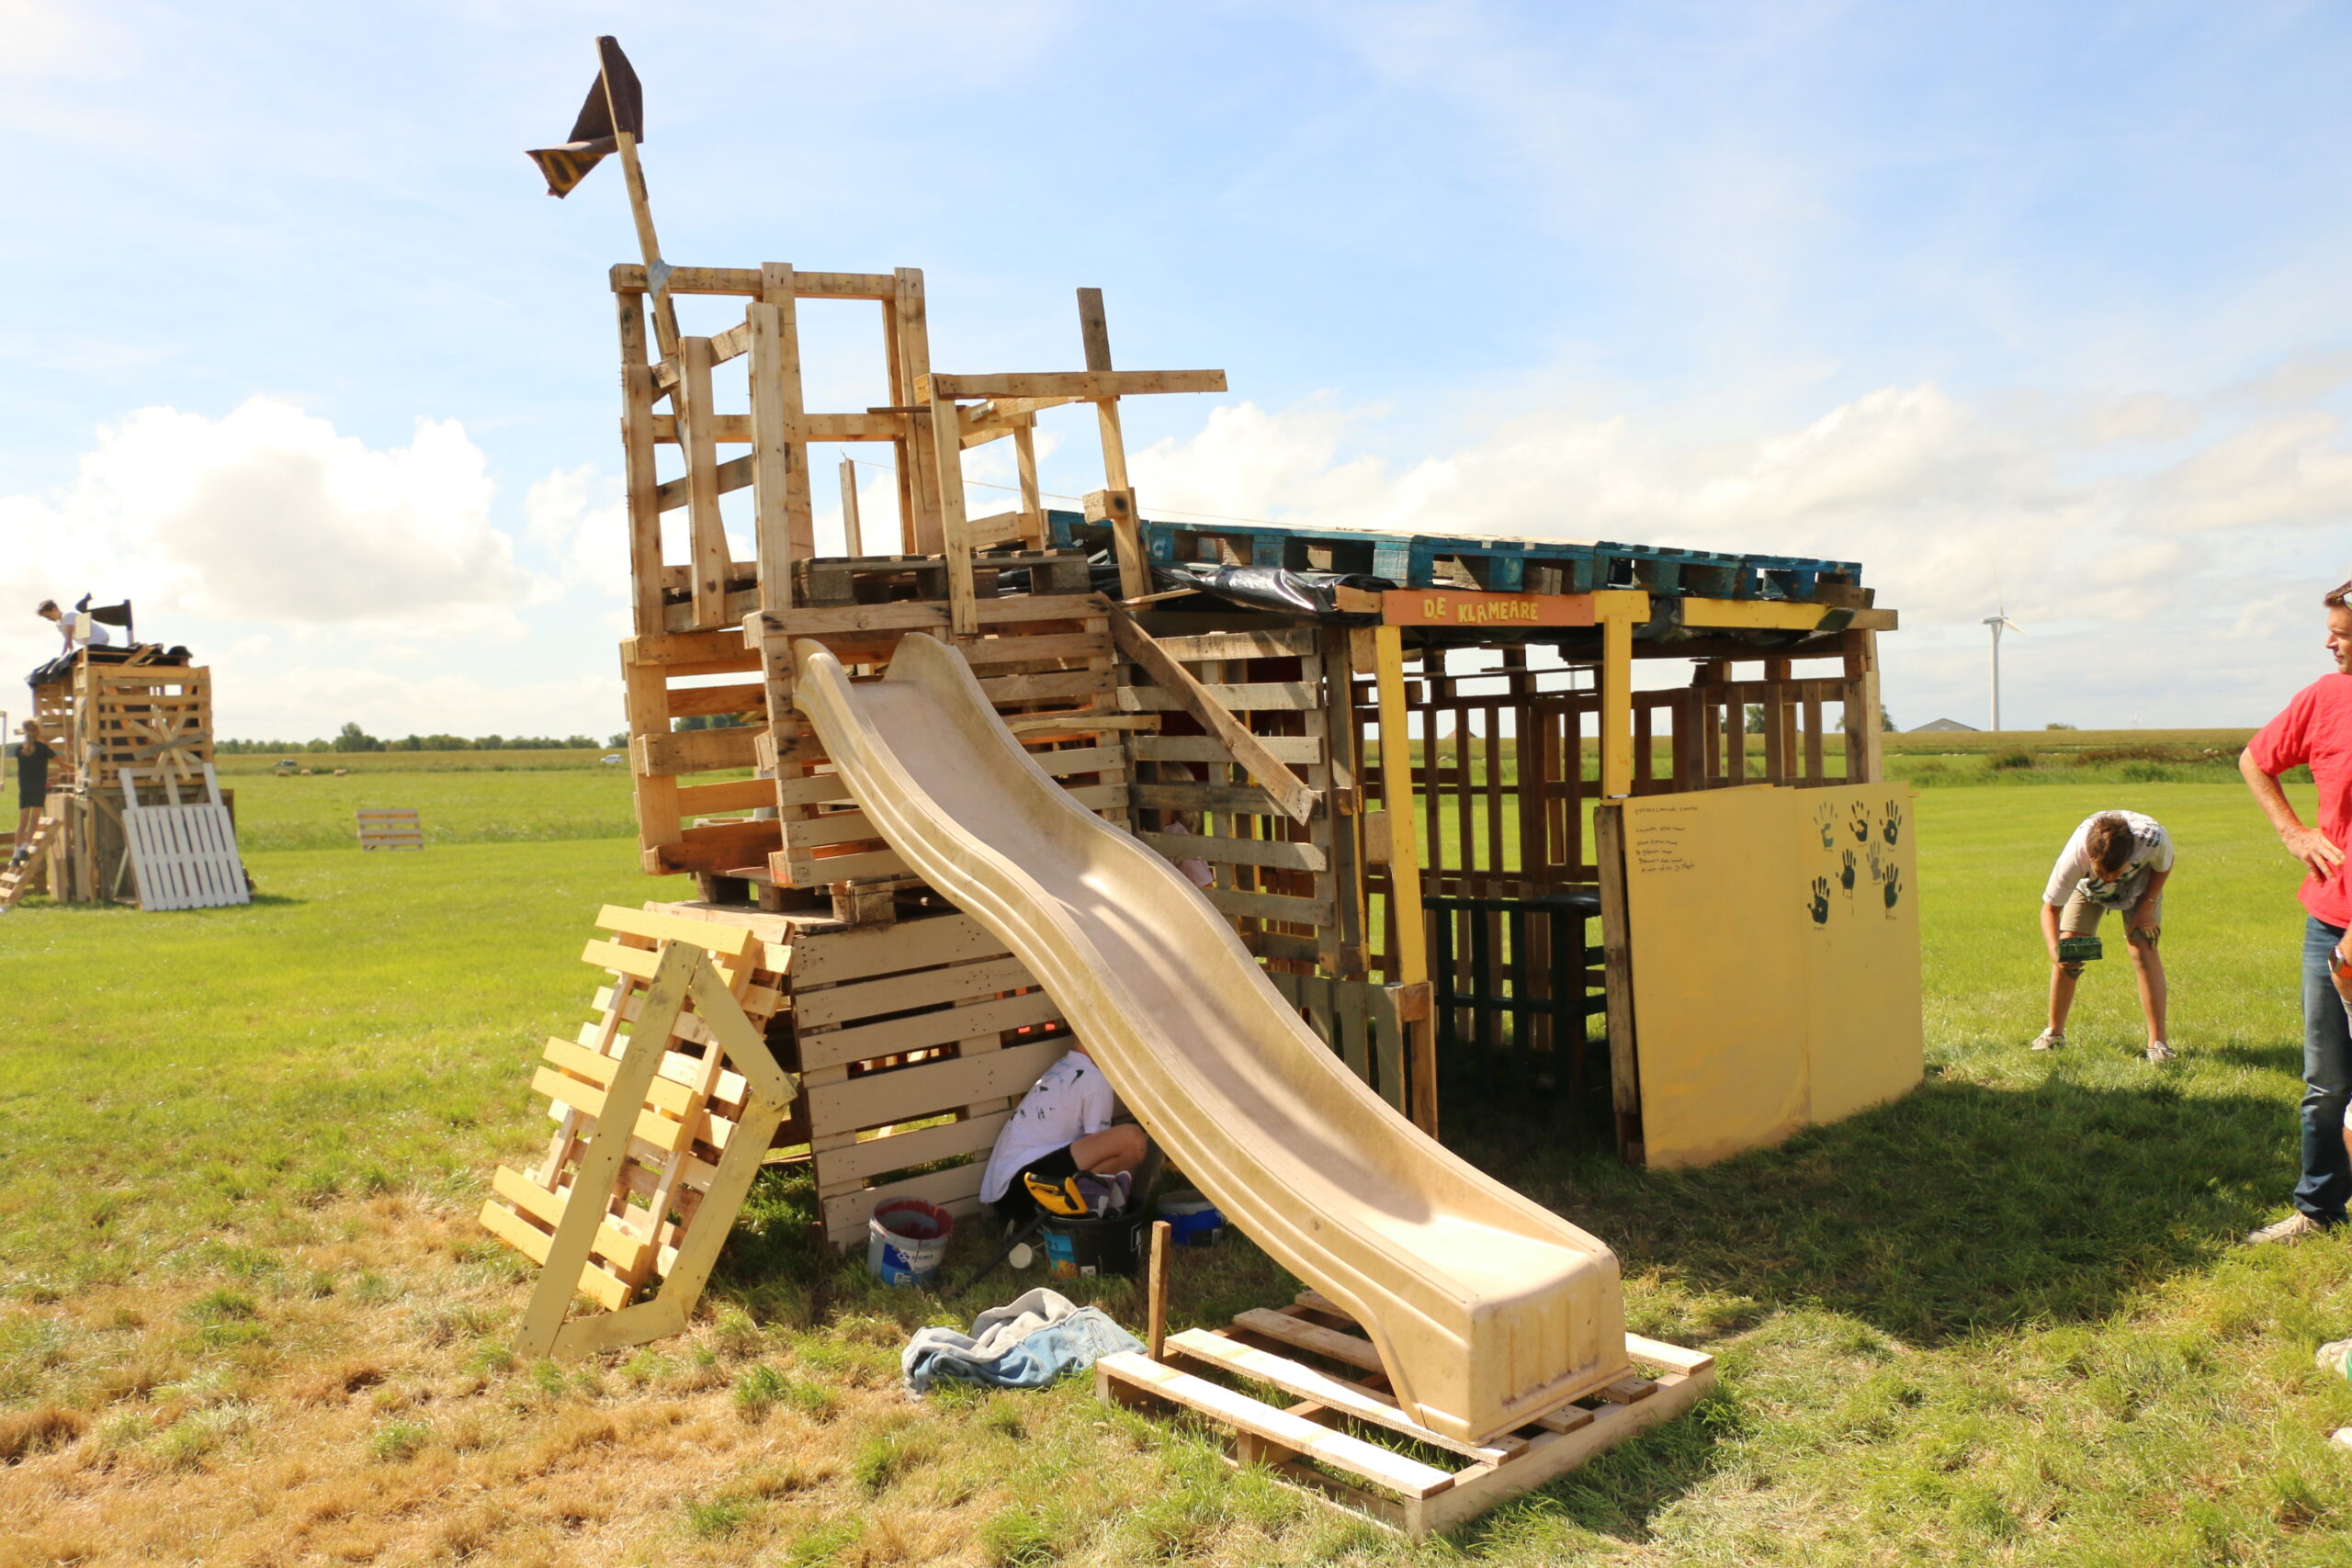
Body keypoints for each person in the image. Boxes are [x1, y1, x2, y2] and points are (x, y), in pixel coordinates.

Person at [2239, 577, 2352, 1243]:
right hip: (2330, 916)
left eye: (2343, 634)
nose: (2330, 644)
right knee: (2325, 1081)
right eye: (2331, 632)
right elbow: (2255, 760)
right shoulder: (2325, 697)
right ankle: (2318, 1209)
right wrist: (2294, 832)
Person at [2029, 810, 2176, 1061]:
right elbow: (2050, 910)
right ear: (2091, 857)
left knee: (2142, 947)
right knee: (2071, 947)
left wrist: (2147, 909)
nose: (2108, 880)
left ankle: (2158, 1044)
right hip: (2087, 888)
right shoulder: (2075, 857)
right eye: (2102, 872)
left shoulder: (2153, 841)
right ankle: (2053, 1034)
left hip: (2139, 884)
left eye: (2114, 873)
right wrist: (2056, 952)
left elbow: (2164, 865)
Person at [978, 1043, 1148, 1225]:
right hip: (1025, 1192)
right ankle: (1080, 1220)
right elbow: (1105, 1146)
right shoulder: (1094, 1078)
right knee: (1133, 1142)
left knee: (1128, 1139)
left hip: (1008, 1194)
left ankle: (1082, 1214)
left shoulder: (1067, 1066)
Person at [12, 720, 53, 866]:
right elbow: (59, 763)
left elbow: (29, 767)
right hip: (38, 788)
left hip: (24, 788)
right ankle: (24, 848)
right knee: (34, 821)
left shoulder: (19, 749)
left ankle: (16, 856)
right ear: (37, 731)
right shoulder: (43, 748)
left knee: (22, 823)